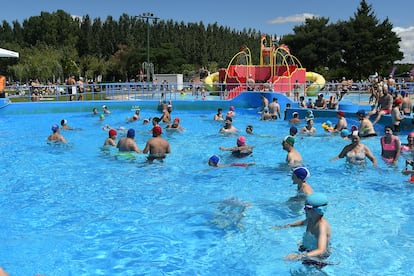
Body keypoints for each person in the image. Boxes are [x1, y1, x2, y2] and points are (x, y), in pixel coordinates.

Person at [275, 193, 331, 265]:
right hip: (308, 248)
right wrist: (287, 226)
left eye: (307, 207)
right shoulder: (311, 218)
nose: (304, 209)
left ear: (318, 210)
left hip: (318, 255)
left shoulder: (321, 227)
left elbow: (321, 250)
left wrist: (298, 256)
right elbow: (303, 222)